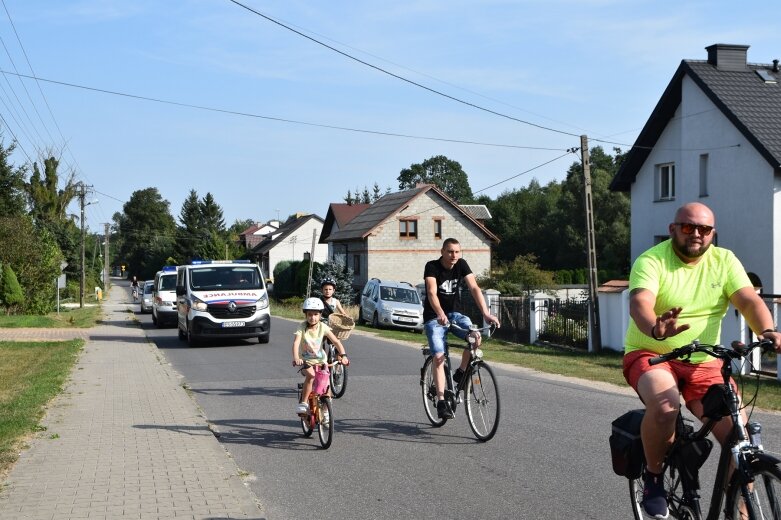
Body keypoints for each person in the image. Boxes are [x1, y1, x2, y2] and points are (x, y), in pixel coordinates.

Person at [623, 202, 781, 519]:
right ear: (673, 229)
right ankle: (654, 478)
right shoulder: (652, 260)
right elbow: (640, 301)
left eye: (704, 229)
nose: (696, 234)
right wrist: (655, 327)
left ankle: (737, 505)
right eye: (688, 227)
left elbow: (748, 299)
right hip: (653, 354)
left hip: (704, 361)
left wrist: (767, 330)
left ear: (712, 233)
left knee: (740, 437)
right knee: (666, 406)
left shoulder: (724, 261)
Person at [423, 238, 500, 419]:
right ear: (442, 251)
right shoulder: (432, 266)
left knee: (475, 338)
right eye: (450, 252)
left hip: (455, 315)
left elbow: (474, 287)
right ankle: (441, 401)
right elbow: (431, 292)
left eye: (457, 252)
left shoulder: (461, 264)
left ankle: (461, 372)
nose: (454, 256)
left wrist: (486, 314)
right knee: (439, 356)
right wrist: (440, 312)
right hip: (435, 317)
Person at [292, 298, 349, 421]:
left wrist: (343, 355)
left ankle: (326, 411)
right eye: (310, 314)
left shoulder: (323, 327)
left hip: (321, 361)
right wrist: (297, 358)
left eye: (316, 314)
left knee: (326, 386)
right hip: (306, 362)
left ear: (320, 315)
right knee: (311, 376)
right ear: (306, 315)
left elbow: (336, 341)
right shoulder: (302, 327)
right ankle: (304, 403)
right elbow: (296, 343)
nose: (313, 317)